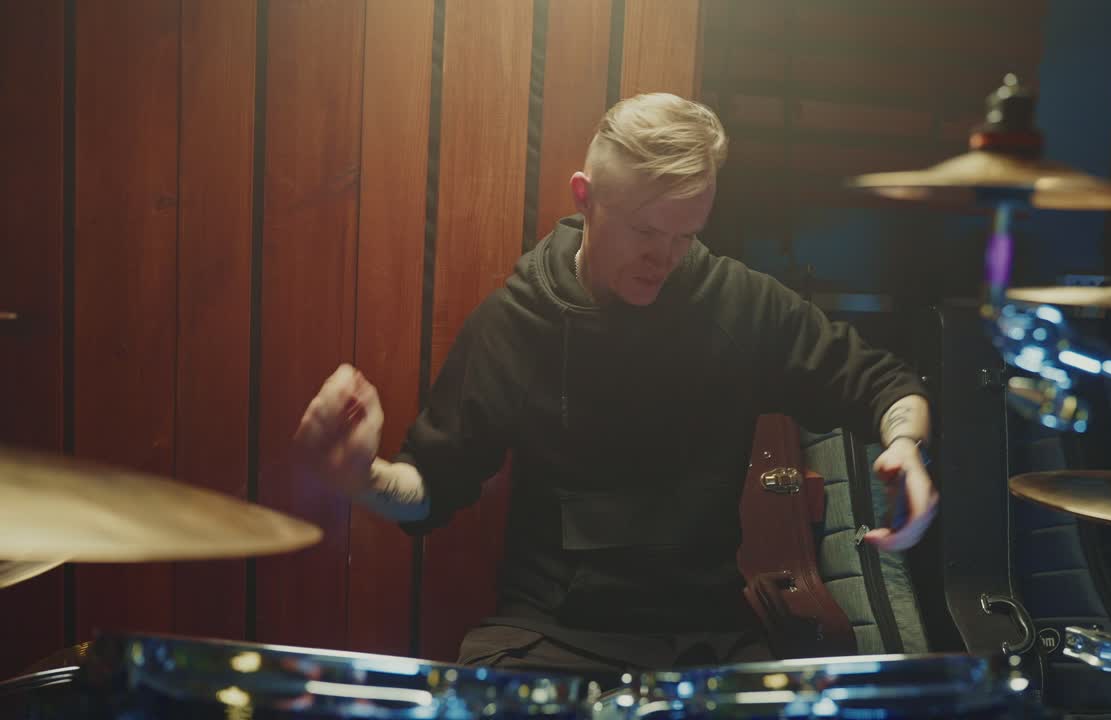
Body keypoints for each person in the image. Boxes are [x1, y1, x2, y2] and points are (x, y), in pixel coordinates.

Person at [294, 92, 938, 673]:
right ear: (585, 197)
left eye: (687, 235)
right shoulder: (519, 319)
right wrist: (362, 478)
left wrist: (905, 443)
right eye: (645, 231)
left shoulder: (736, 301)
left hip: (706, 634)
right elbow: (432, 484)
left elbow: (881, 383)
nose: (664, 258)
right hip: (545, 635)